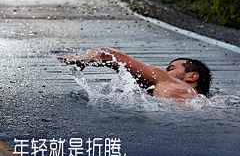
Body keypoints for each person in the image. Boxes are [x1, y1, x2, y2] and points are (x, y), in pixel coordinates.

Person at [58, 47, 211, 101]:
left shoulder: (166, 80)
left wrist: (80, 60)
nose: (165, 72)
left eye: (170, 69)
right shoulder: (204, 103)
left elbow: (107, 54)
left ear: (192, 76)